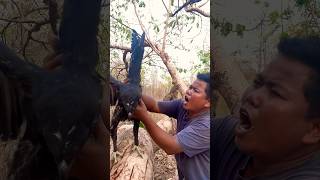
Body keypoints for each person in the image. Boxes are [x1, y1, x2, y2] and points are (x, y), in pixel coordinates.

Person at [212, 36, 320, 180]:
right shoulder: (227, 136)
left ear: (314, 130)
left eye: (276, 92)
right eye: (257, 83)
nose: (252, 96)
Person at [133, 73, 211, 180]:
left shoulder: (207, 125)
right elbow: (155, 105)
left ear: (208, 102)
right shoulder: (183, 106)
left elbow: (171, 146)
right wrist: (133, 93)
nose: (189, 91)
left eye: (196, 90)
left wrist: (144, 117)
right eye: (190, 87)